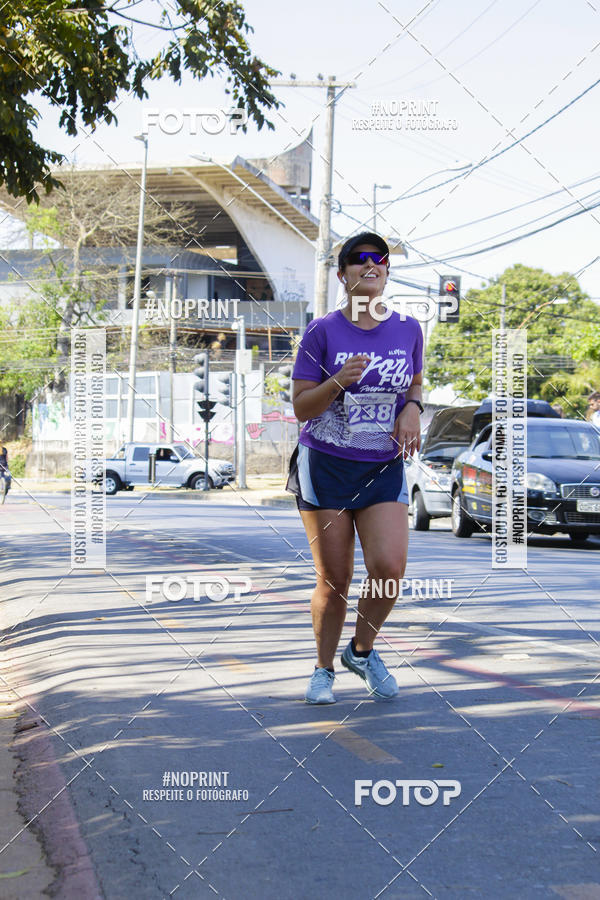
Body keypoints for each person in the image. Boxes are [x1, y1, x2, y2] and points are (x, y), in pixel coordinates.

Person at [287, 232, 424, 704]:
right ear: (343, 274)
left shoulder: (408, 328)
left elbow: (416, 380)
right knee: (335, 579)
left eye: (380, 260)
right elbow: (302, 408)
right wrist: (336, 382)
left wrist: (413, 409)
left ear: (387, 272)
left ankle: (361, 652)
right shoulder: (321, 332)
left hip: (382, 464)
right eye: (360, 259)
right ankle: (323, 669)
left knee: (388, 568)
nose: (372, 265)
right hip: (326, 463)